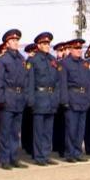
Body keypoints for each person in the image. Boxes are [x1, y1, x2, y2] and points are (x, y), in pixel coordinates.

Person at [0, 29, 29, 170]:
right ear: (7, 43)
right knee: (5, 131)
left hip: (19, 98)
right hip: (7, 97)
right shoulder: (2, 60)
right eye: (13, 41)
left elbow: (25, 80)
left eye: (17, 40)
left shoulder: (21, 60)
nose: (16, 43)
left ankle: (14, 157)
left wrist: (25, 96)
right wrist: (1, 99)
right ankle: (5, 159)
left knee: (15, 131)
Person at [25, 32, 61, 165]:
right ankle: (39, 156)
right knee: (39, 130)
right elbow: (30, 82)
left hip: (51, 98)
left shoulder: (52, 60)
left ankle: (46, 155)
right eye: (44, 44)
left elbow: (57, 81)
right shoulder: (33, 60)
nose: (47, 46)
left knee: (48, 130)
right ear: (38, 45)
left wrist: (56, 98)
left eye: (48, 44)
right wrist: (31, 99)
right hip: (39, 97)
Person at [59, 38, 90, 162]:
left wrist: (89, 99)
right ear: (70, 49)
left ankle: (78, 152)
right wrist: (65, 101)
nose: (79, 50)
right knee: (71, 129)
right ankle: (70, 153)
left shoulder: (84, 63)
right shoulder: (65, 63)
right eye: (76, 48)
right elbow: (63, 83)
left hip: (83, 99)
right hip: (72, 98)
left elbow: (89, 83)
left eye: (80, 48)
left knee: (80, 129)